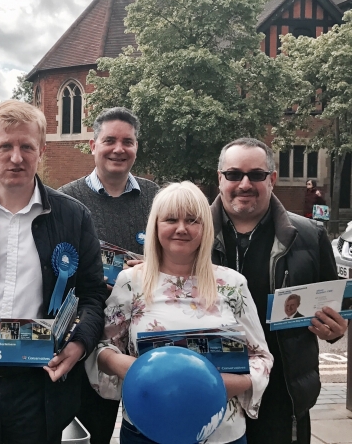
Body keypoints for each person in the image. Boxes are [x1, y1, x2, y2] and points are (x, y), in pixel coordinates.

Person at [0, 100, 107, 444]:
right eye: (5, 146)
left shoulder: (74, 217)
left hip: (40, 389)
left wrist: (80, 345)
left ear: (41, 150)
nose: (16, 157)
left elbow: (92, 296)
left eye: (26, 146)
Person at [88, 182, 273, 444]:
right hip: (146, 430)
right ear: (155, 226)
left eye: (192, 220)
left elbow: (261, 358)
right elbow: (103, 347)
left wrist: (217, 384)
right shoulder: (131, 282)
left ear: (205, 228)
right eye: (171, 219)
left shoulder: (233, 284)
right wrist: (133, 368)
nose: (181, 228)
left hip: (221, 433)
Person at [212, 138, 347, 443]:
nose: (244, 184)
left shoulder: (310, 237)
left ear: (271, 179)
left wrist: (335, 329)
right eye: (234, 174)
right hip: (214, 389)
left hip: (281, 396)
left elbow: (333, 307)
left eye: (256, 175)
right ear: (219, 178)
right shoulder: (192, 235)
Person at [58, 106, 158, 444]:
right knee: (92, 431)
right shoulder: (67, 199)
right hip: (87, 335)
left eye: (127, 141)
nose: (119, 149)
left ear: (136, 147)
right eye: (110, 140)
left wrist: (150, 268)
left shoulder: (155, 197)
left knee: (150, 429)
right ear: (93, 145)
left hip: (143, 338)